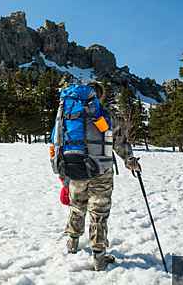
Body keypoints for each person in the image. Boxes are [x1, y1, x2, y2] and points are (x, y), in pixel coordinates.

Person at [63, 81, 141, 271]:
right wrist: (131, 163)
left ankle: (72, 243)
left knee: (77, 206)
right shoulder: (104, 115)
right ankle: (99, 257)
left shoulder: (68, 112)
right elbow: (119, 141)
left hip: (75, 168)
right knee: (98, 212)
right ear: (99, 96)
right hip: (101, 170)